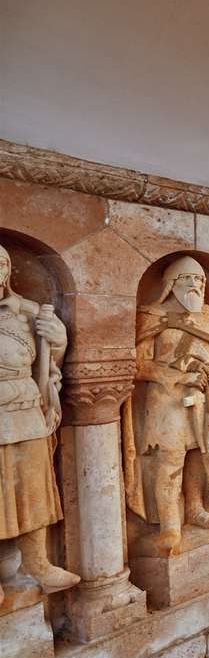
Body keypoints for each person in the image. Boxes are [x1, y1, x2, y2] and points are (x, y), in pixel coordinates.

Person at [126, 256, 209, 557]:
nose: (195, 285)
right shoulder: (152, 315)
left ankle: (195, 508)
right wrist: (177, 376)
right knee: (171, 458)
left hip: (206, 396)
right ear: (171, 284)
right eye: (186, 279)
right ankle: (170, 525)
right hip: (167, 400)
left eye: (199, 280)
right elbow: (137, 364)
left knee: (201, 453)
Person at [0, 244, 79, 598]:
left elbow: (49, 365)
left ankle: (38, 563)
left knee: (33, 485)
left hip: (26, 407)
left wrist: (58, 340)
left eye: (0, 266)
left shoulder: (28, 312)